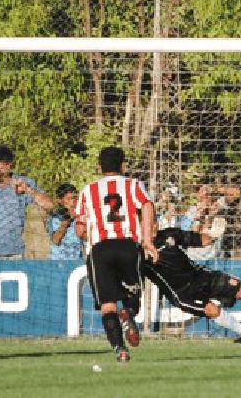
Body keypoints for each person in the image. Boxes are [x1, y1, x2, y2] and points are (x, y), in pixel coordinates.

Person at [74, 147, 160, 363]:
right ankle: (128, 314)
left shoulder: (88, 190)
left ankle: (120, 350)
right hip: (128, 246)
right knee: (132, 298)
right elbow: (147, 205)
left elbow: (80, 229)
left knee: (107, 304)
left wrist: (88, 233)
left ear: (99, 167)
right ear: (123, 166)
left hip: (100, 249)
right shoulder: (133, 185)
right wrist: (147, 239)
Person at [46, 183, 85, 260]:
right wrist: (67, 222)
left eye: (74, 198)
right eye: (69, 199)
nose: (73, 202)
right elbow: (56, 240)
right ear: (60, 200)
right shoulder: (56, 217)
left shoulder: (81, 216)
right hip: (59, 261)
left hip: (77, 261)